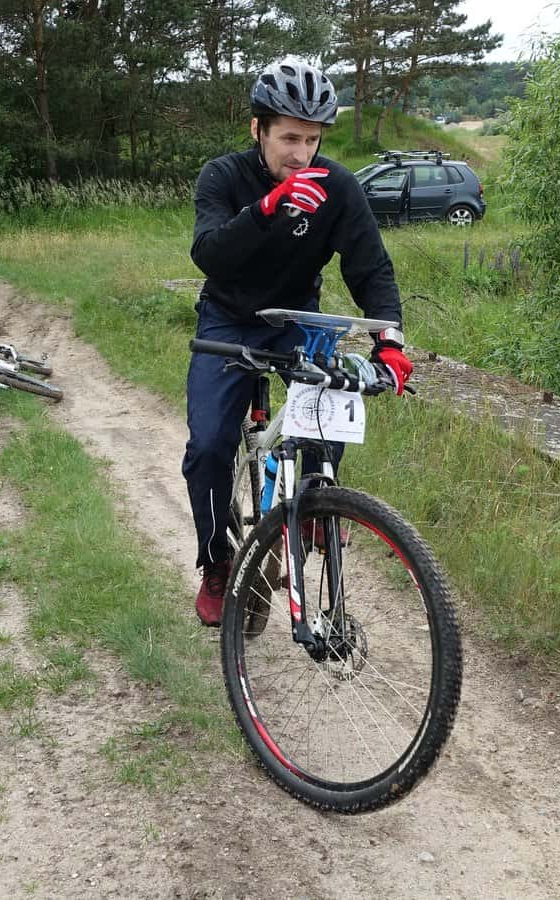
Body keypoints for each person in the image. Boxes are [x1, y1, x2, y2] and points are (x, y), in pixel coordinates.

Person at [183, 60, 414, 627]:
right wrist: (267, 210)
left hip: (296, 319)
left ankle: (313, 506)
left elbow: (371, 269)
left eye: (311, 140)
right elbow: (208, 253)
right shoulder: (222, 176)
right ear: (257, 130)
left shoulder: (337, 186)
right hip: (229, 318)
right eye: (289, 138)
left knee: (329, 414)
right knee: (209, 446)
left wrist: (389, 341)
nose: (301, 153)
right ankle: (217, 561)